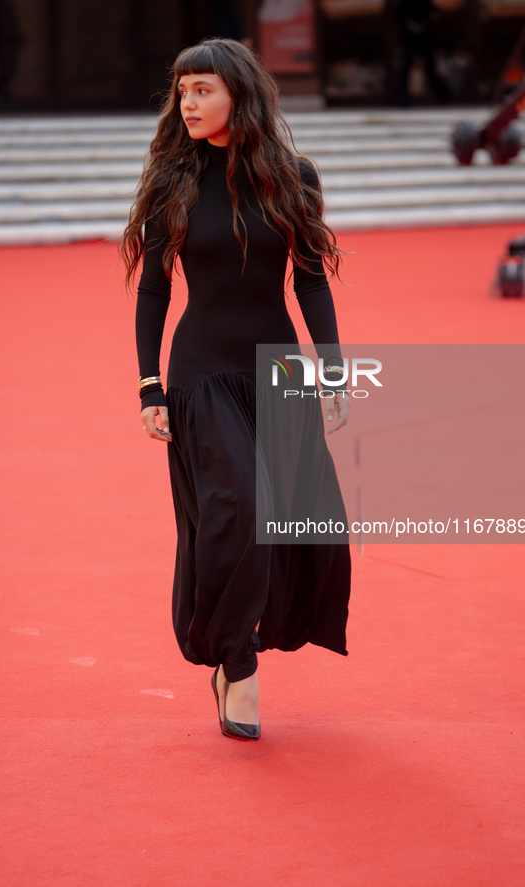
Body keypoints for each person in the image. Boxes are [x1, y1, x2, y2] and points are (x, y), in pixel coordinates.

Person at [121, 38, 351, 741]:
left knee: (295, 525)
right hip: (201, 372)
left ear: (238, 94)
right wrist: (149, 386)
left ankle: (242, 643)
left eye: (202, 90)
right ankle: (237, 663)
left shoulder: (292, 176)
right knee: (238, 507)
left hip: (276, 370)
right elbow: (155, 289)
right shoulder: (173, 178)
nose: (187, 103)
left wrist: (333, 368)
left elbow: (309, 277)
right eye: (182, 90)